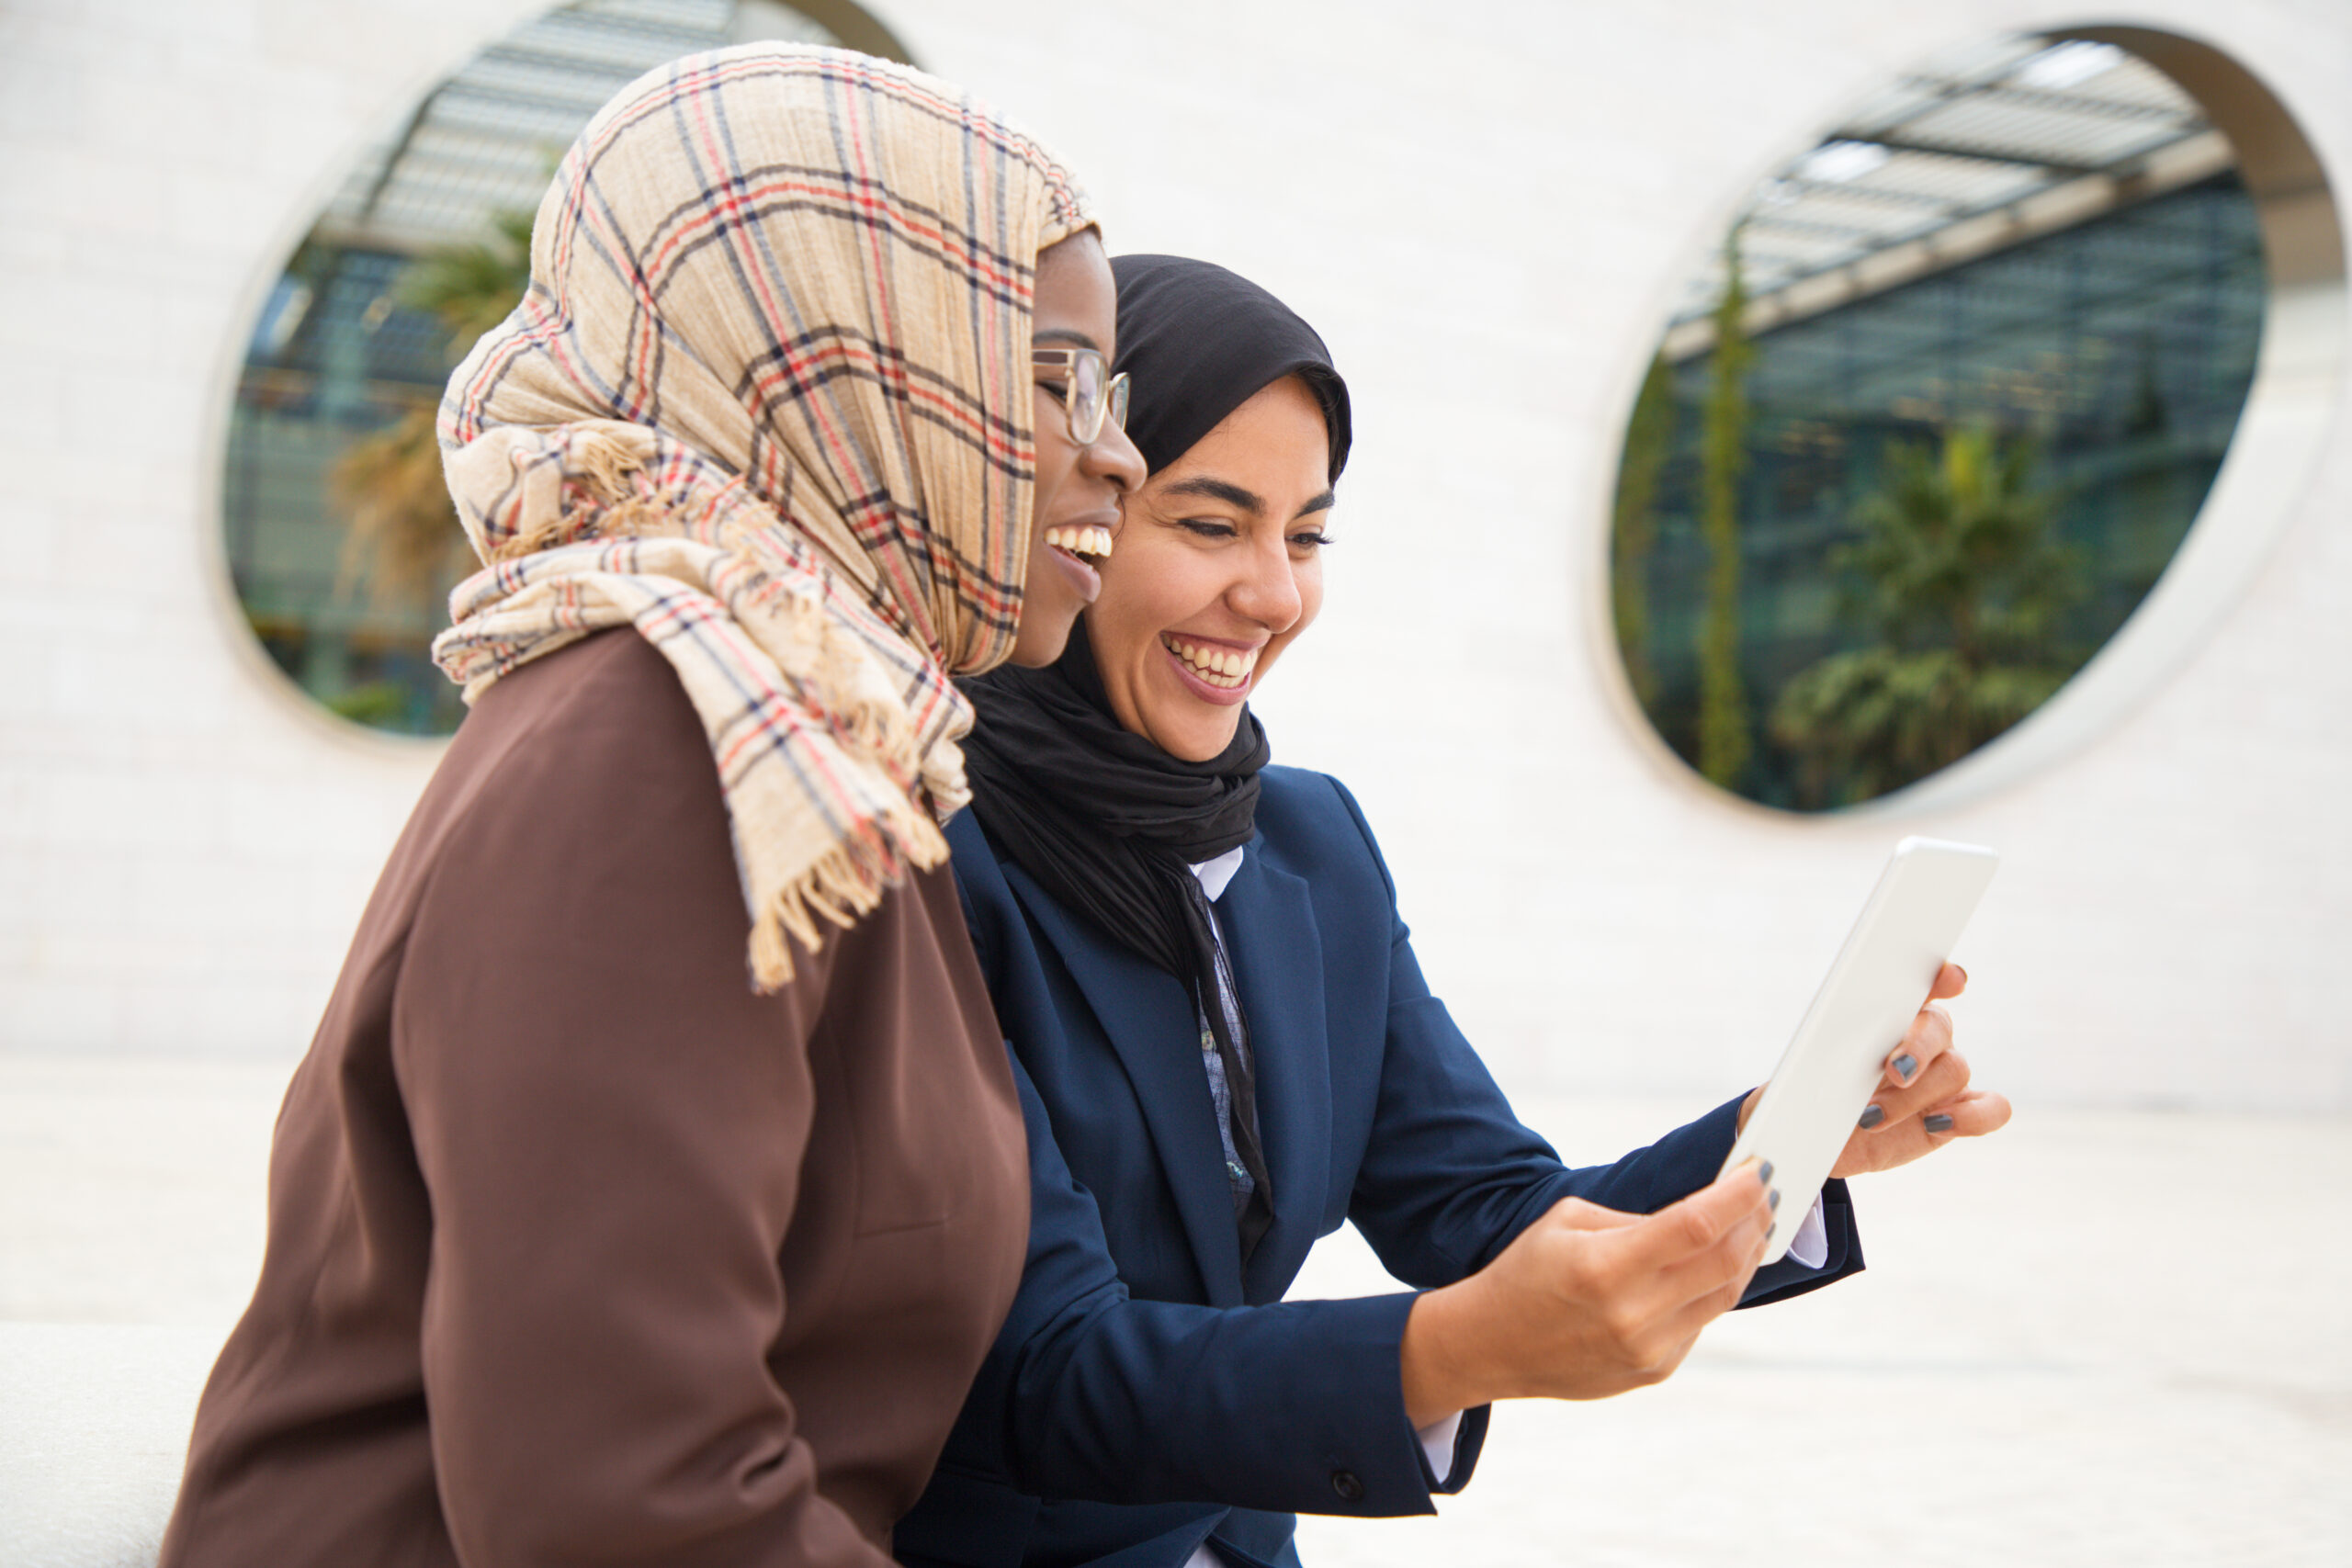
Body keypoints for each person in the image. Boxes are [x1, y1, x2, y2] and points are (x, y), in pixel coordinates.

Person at [160, 45, 1144, 1568]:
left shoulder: (809, 734)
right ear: (846, 358)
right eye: (1052, 374)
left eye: (1114, 385)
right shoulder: (670, 745)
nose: (1118, 453)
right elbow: (629, 1512)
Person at [892, 255, 2010, 1568]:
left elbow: (1483, 1206)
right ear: (1062, 519)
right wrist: (1446, 1352)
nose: (1272, 596)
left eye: (1305, 536)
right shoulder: (921, 848)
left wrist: (1778, 1147)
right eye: (1208, 525)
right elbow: (1040, 1368)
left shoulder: (1312, 845)